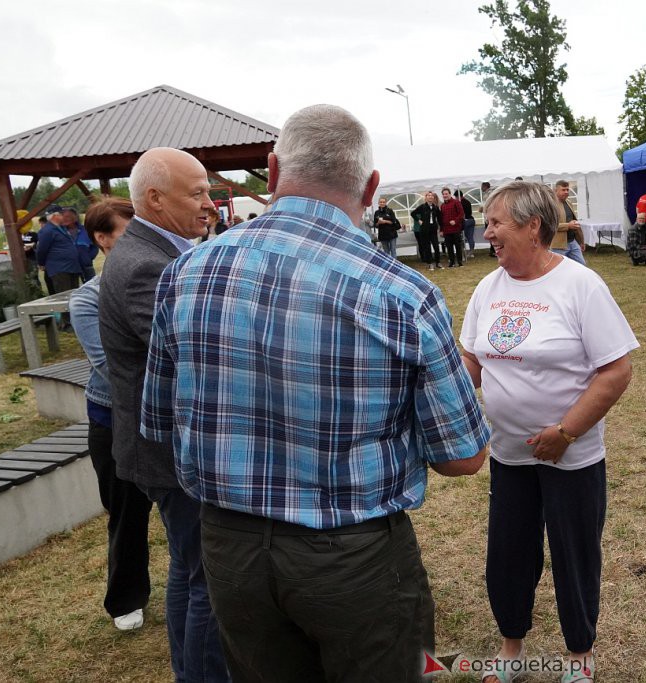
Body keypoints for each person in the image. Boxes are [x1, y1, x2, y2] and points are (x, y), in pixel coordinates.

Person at [142, 104, 490, 683]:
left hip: (229, 548)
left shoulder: (186, 272)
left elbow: (159, 419)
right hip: (353, 557)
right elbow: (463, 456)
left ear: (272, 172)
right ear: (372, 187)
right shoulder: (401, 293)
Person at [461, 180, 636, 683]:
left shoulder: (580, 285)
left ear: (533, 226)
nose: (487, 232)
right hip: (509, 455)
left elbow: (616, 370)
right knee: (508, 554)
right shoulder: (488, 286)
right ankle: (510, 648)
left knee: (574, 557)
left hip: (571, 458)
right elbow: (472, 357)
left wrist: (566, 432)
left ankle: (580, 655)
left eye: (496, 223)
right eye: (487, 222)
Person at [98, 147, 229, 683]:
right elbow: (189, 354)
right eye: (196, 193)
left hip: (163, 448)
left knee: (187, 569)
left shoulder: (151, 253)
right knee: (209, 581)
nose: (209, 204)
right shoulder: (147, 266)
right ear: (154, 198)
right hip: (170, 450)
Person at [70, 197, 154, 633]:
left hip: (163, 414)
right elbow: (109, 365)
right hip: (114, 418)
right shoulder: (87, 300)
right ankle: (126, 597)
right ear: (102, 239)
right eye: (127, 231)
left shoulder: (161, 276)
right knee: (126, 514)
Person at [35, 205, 83, 295]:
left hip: (72, 267)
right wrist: (41, 263)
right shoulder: (47, 231)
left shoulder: (62, 228)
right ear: (55, 216)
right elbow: (41, 250)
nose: (63, 216)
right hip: (60, 269)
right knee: (65, 296)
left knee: (75, 296)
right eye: (61, 214)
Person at [551, 180, 586, 265]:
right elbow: (550, 225)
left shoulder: (569, 202)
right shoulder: (551, 205)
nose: (566, 192)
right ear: (556, 190)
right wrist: (568, 225)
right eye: (563, 190)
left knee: (581, 266)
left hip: (572, 242)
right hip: (558, 246)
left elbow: (573, 221)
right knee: (559, 269)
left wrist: (581, 241)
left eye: (567, 190)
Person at [62, 207, 98, 282]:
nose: (65, 219)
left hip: (86, 266)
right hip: (69, 267)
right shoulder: (60, 232)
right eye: (63, 216)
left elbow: (95, 246)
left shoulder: (85, 230)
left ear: (75, 217)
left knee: (93, 285)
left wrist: (88, 258)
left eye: (67, 216)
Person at [411, 191, 443, 271]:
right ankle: (430, 264)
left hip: (433, 229)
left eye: (432, 196)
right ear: (426, 198)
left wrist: (441, 228)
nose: (430, 197)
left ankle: (438, 262)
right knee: (427, 247)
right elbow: (413, 213)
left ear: (433, 198)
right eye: (429, 196)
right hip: (424, 229)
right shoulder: (422, 207)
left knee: (436, 246)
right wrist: (419, 220)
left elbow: (439, 218)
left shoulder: (435, 207)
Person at [440, 187, 466, 267]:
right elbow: (441, 218)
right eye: (443, 194)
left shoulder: (456, 202)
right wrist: (441, 230)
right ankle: (451, 262)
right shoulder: (442, 205)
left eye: (446, 194)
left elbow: (461, 214)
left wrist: (455, 221)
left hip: (456, 229)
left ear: (450, 194)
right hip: (446, 230)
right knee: (449, 247)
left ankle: (460, 261)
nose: (445, 195)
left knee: (458, 246)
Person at [455, 189, 477, 258]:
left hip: (465, 221)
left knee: (462, 237)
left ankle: (462, 252)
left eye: (455, 197)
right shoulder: (468, 201)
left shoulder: (459, 203)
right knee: (470, 237)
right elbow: (470, 212)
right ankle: (471, 252)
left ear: (458, 196)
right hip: (471, 220)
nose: (455, 198)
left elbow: (461, 214)